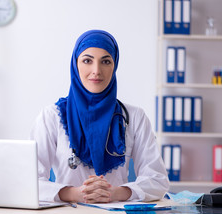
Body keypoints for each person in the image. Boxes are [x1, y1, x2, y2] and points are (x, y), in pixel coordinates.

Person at [30, 30, 169, 204]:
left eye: (105, 61)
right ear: (75, 64)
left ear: (114, 66)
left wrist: (116, 193)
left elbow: (158, 180)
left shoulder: (135, 117)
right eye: (87, 61)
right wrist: (74, 194)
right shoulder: (51, 117)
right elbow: (29, 182)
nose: (96, 71)